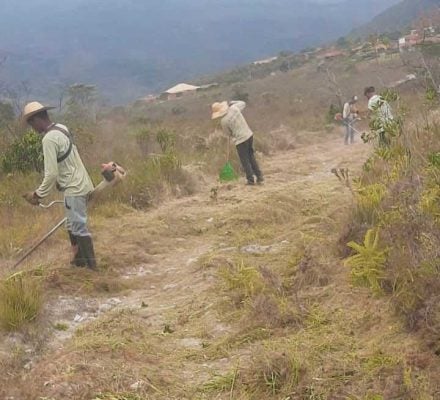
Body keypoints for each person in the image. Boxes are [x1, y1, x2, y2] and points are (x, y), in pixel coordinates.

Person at [22, 101, 97, 269]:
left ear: (36, 120)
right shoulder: (61, 128)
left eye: (30, 123)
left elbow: (51, 173)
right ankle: (79, 262)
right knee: (72, 224)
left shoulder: (48, 139)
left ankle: (92, 269)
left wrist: (37, 194)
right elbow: (67, 162)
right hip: (82, 182)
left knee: (78, 226)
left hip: (74, 187)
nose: (32, 128)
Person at [211, 100, 263, 185]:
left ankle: (250, 180)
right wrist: (233, 102)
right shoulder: (234, 108)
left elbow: (228, 133)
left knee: (245, 160)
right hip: (249, 135)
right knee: (251, 157)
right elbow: (243, 103)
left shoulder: (224, 121)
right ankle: (259, 176)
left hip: (240, 140)